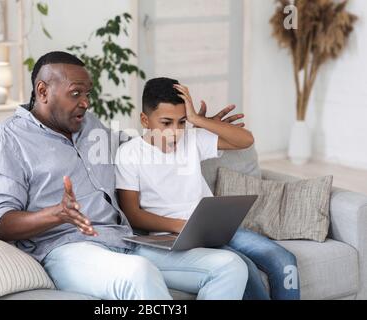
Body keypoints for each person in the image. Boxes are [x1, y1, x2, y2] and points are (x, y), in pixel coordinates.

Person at [0, 51, 249, 300]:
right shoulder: (7, 140)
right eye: (76, 93)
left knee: (228, 267)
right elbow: (2, 223)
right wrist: (56, 213)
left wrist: (194, 128)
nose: (85, 102)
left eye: (88, 94)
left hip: (124, 240)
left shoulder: (89, 125)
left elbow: (135, 144)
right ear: (43, 90)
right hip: (67, 248)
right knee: (137, 274)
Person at [115, 77, 300, 300]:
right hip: (175, 235)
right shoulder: (129, 154)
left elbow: (245, 140)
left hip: (215, 228)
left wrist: (198, 120)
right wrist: (182, 226)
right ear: (145, 120)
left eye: (182, 122)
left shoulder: (192, 140)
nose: (175, 131)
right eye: (166, 123)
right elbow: (132, 214)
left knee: (284, 260)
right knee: (245, 268)